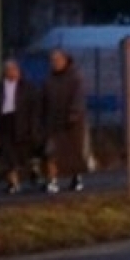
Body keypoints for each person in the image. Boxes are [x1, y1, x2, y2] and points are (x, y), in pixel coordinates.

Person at [0, 59, 40, 196]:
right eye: (9, 70)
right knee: (7, 154)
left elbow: (34, 109)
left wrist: (33, 126)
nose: (12, 73)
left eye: (14, 70)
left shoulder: (27, 87)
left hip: (22, 122)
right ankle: (13, 183)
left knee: (22, 154)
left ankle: (32, 172)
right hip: (4, 123)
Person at [41, 48, 88, 194]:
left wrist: (74, 113)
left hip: (71, 123)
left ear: (65, 60)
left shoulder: (75, 77)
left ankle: (76, 177)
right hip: (53, 122)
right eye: (52, 61)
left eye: (57, 60)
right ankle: (52, 180)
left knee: (73, 152)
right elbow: (43, 99)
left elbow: (78, 97)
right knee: (51, 152)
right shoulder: (49, 79)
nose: (54, 63)